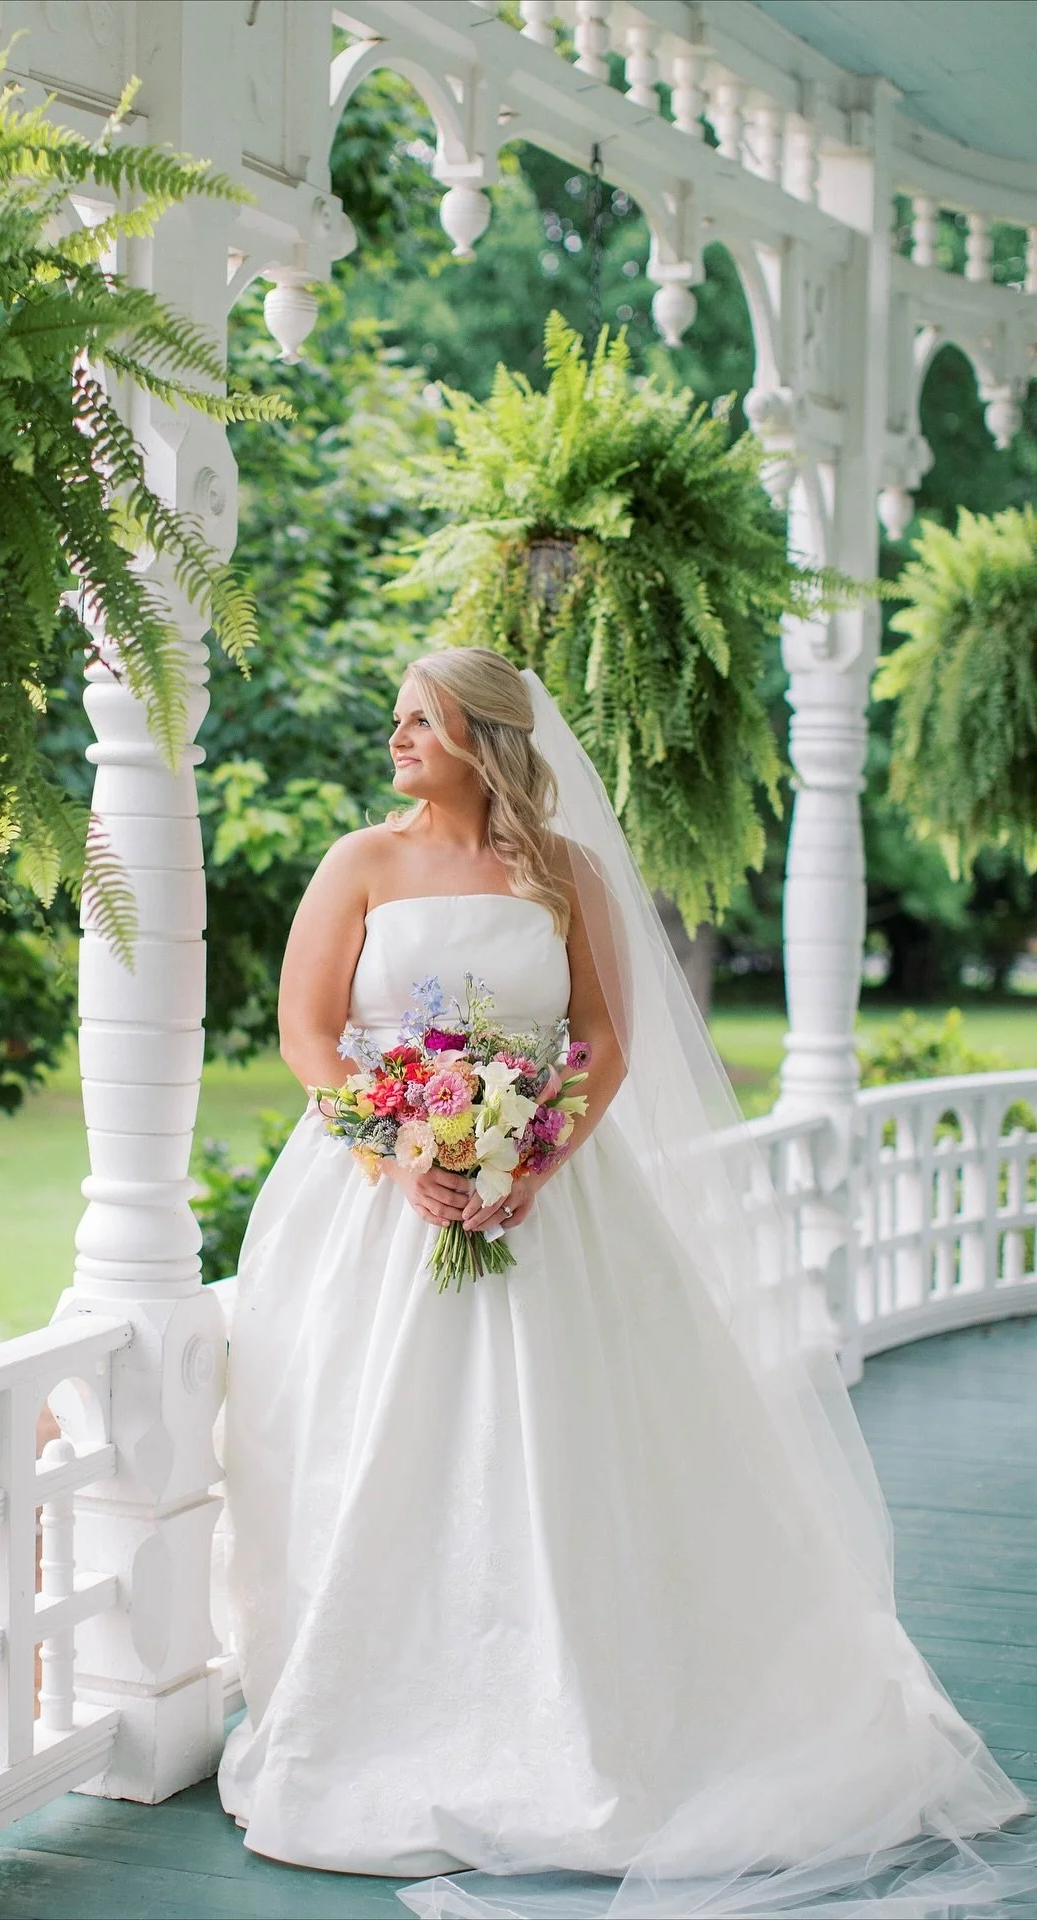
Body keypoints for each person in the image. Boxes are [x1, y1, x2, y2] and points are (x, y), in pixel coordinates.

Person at [215, 647, 1036, 1918]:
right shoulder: (359, 864)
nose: (396, 740)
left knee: (565, 1447)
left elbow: (604, 1039)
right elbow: (307, 1032)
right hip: (376, 1201)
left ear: (485, 736)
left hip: (550, 1202)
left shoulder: (568, 874)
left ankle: (593, 1716)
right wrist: (398, 1154)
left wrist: (534, 1156)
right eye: (395, 722)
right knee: (376, 1444)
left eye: (419, 721)